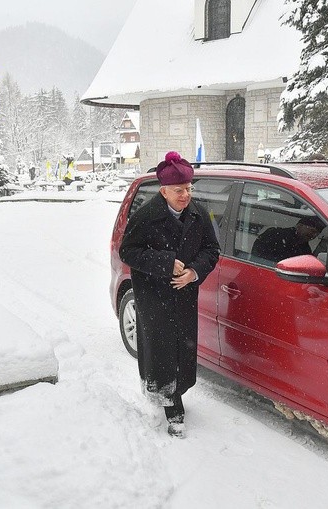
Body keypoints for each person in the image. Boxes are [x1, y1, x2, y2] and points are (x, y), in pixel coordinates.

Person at [119, 151, 220, 438]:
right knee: (161, 350)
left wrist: (194, 272)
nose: (185, 194)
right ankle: (170, 403)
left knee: (184, 349)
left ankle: (178, 390)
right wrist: (165, 262)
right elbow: (127, 251)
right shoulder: (146, 215)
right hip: (154, 297)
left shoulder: (199, 213)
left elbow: (212, 250)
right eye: (179, 190)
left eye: (189, 188)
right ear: (164, 191)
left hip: (185, 295)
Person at [251, 214, 325, 263]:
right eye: (312, 230)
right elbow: (258, 257)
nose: (313, 235)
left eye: (317, 233)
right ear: (299, 226)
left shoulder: (306, 250)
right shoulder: (275, 234)